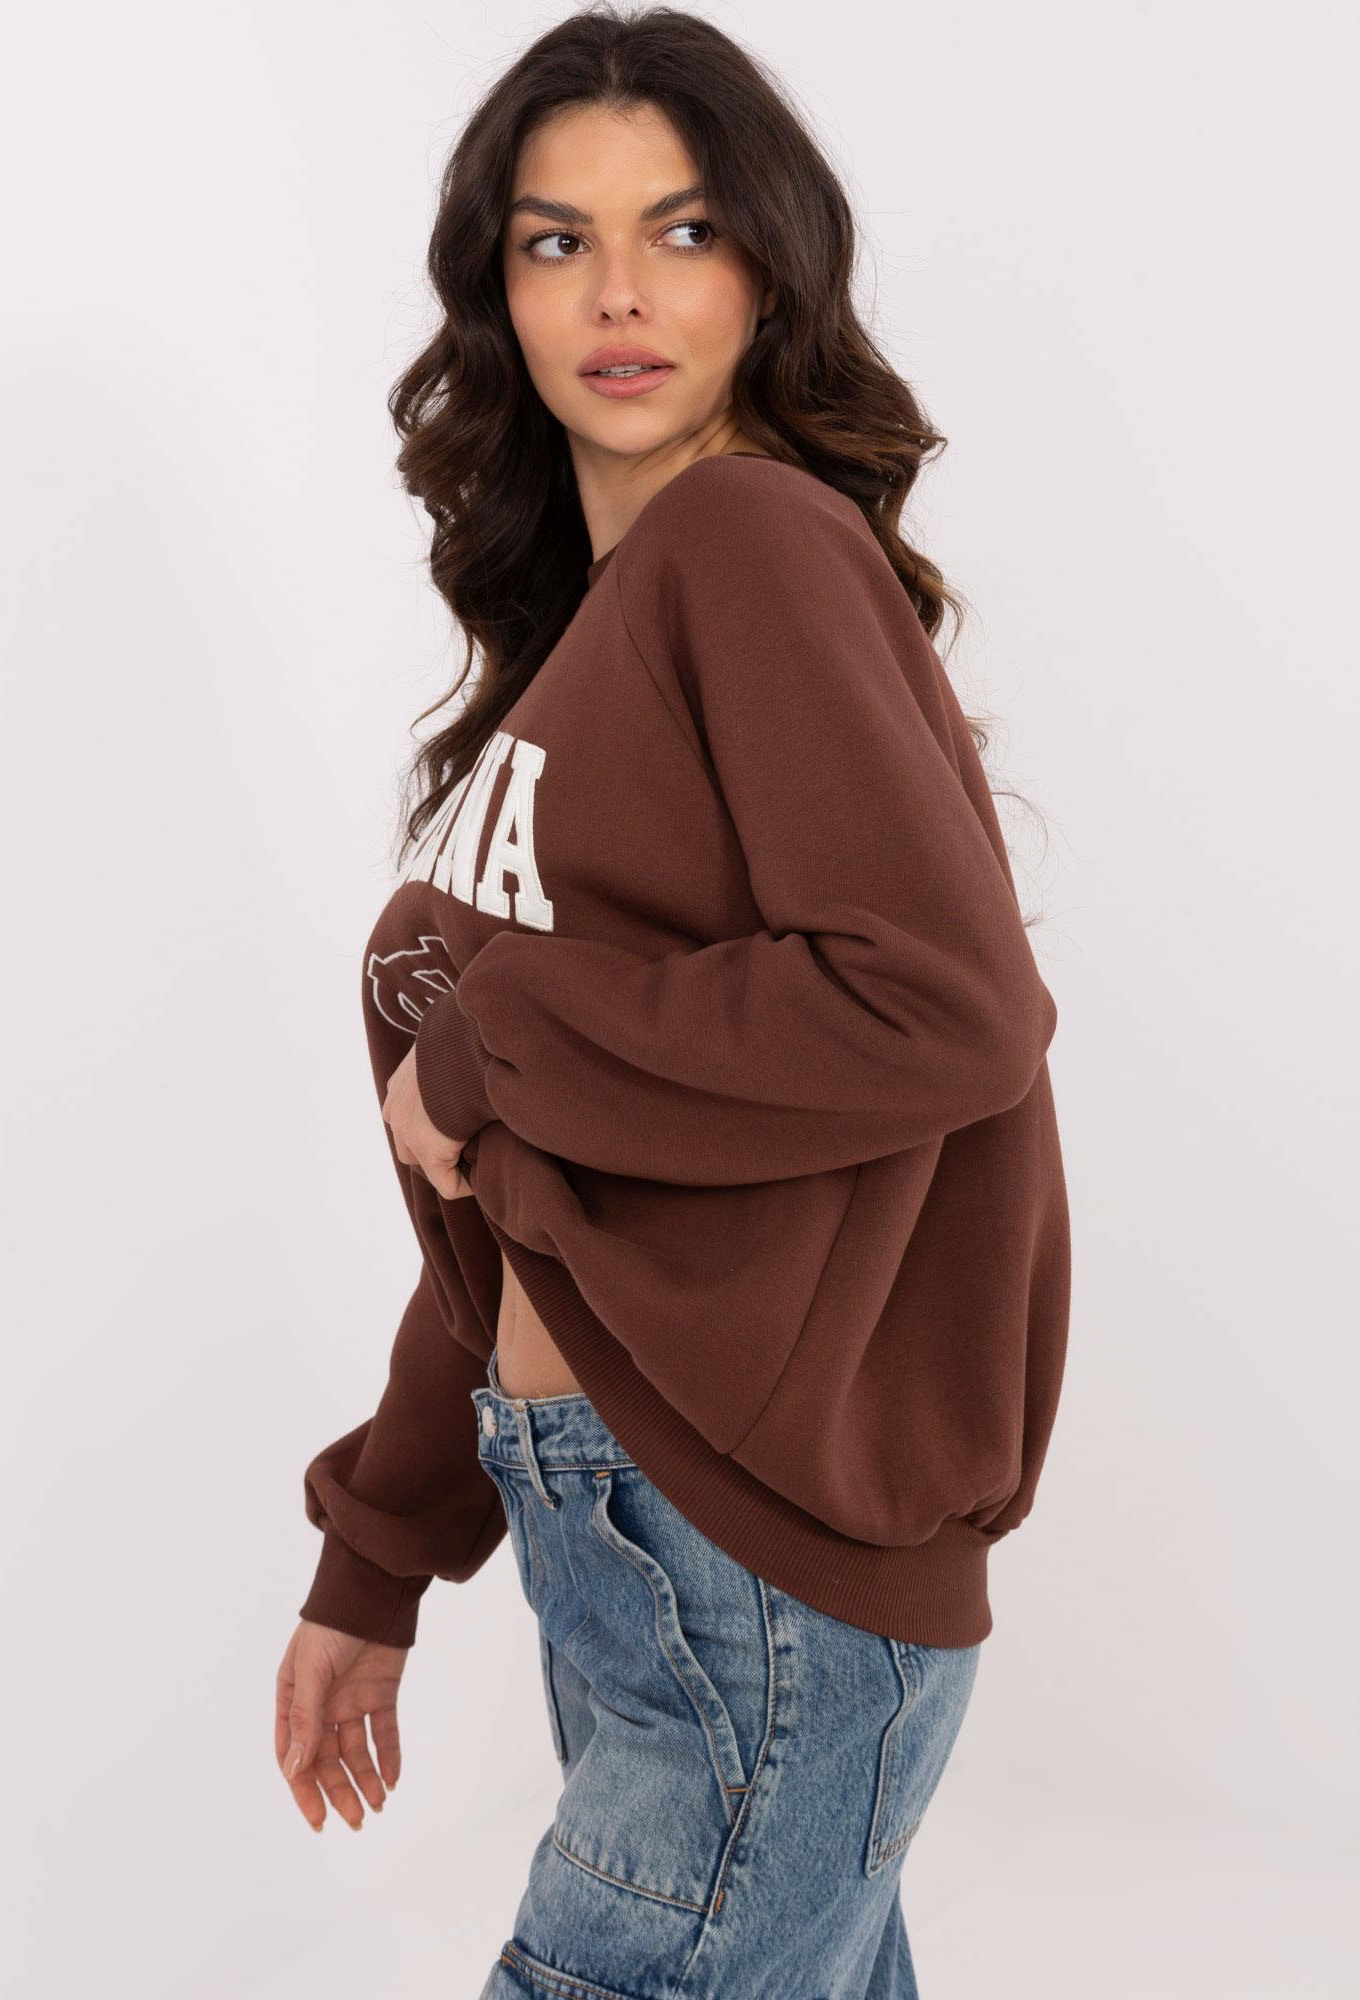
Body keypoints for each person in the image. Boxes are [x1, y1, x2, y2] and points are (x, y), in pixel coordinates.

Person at [275, 10, 1071, 1996]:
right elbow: (542, 1194)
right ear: (499, 292)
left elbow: (945, 1006)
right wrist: (382, 1546)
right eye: (557, 241)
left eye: (683, 230)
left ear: (769, 274)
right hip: (642, 1547)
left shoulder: (750, 538)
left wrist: (493, 1041)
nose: (617, 292)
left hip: (750, 1567)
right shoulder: (594, 640)